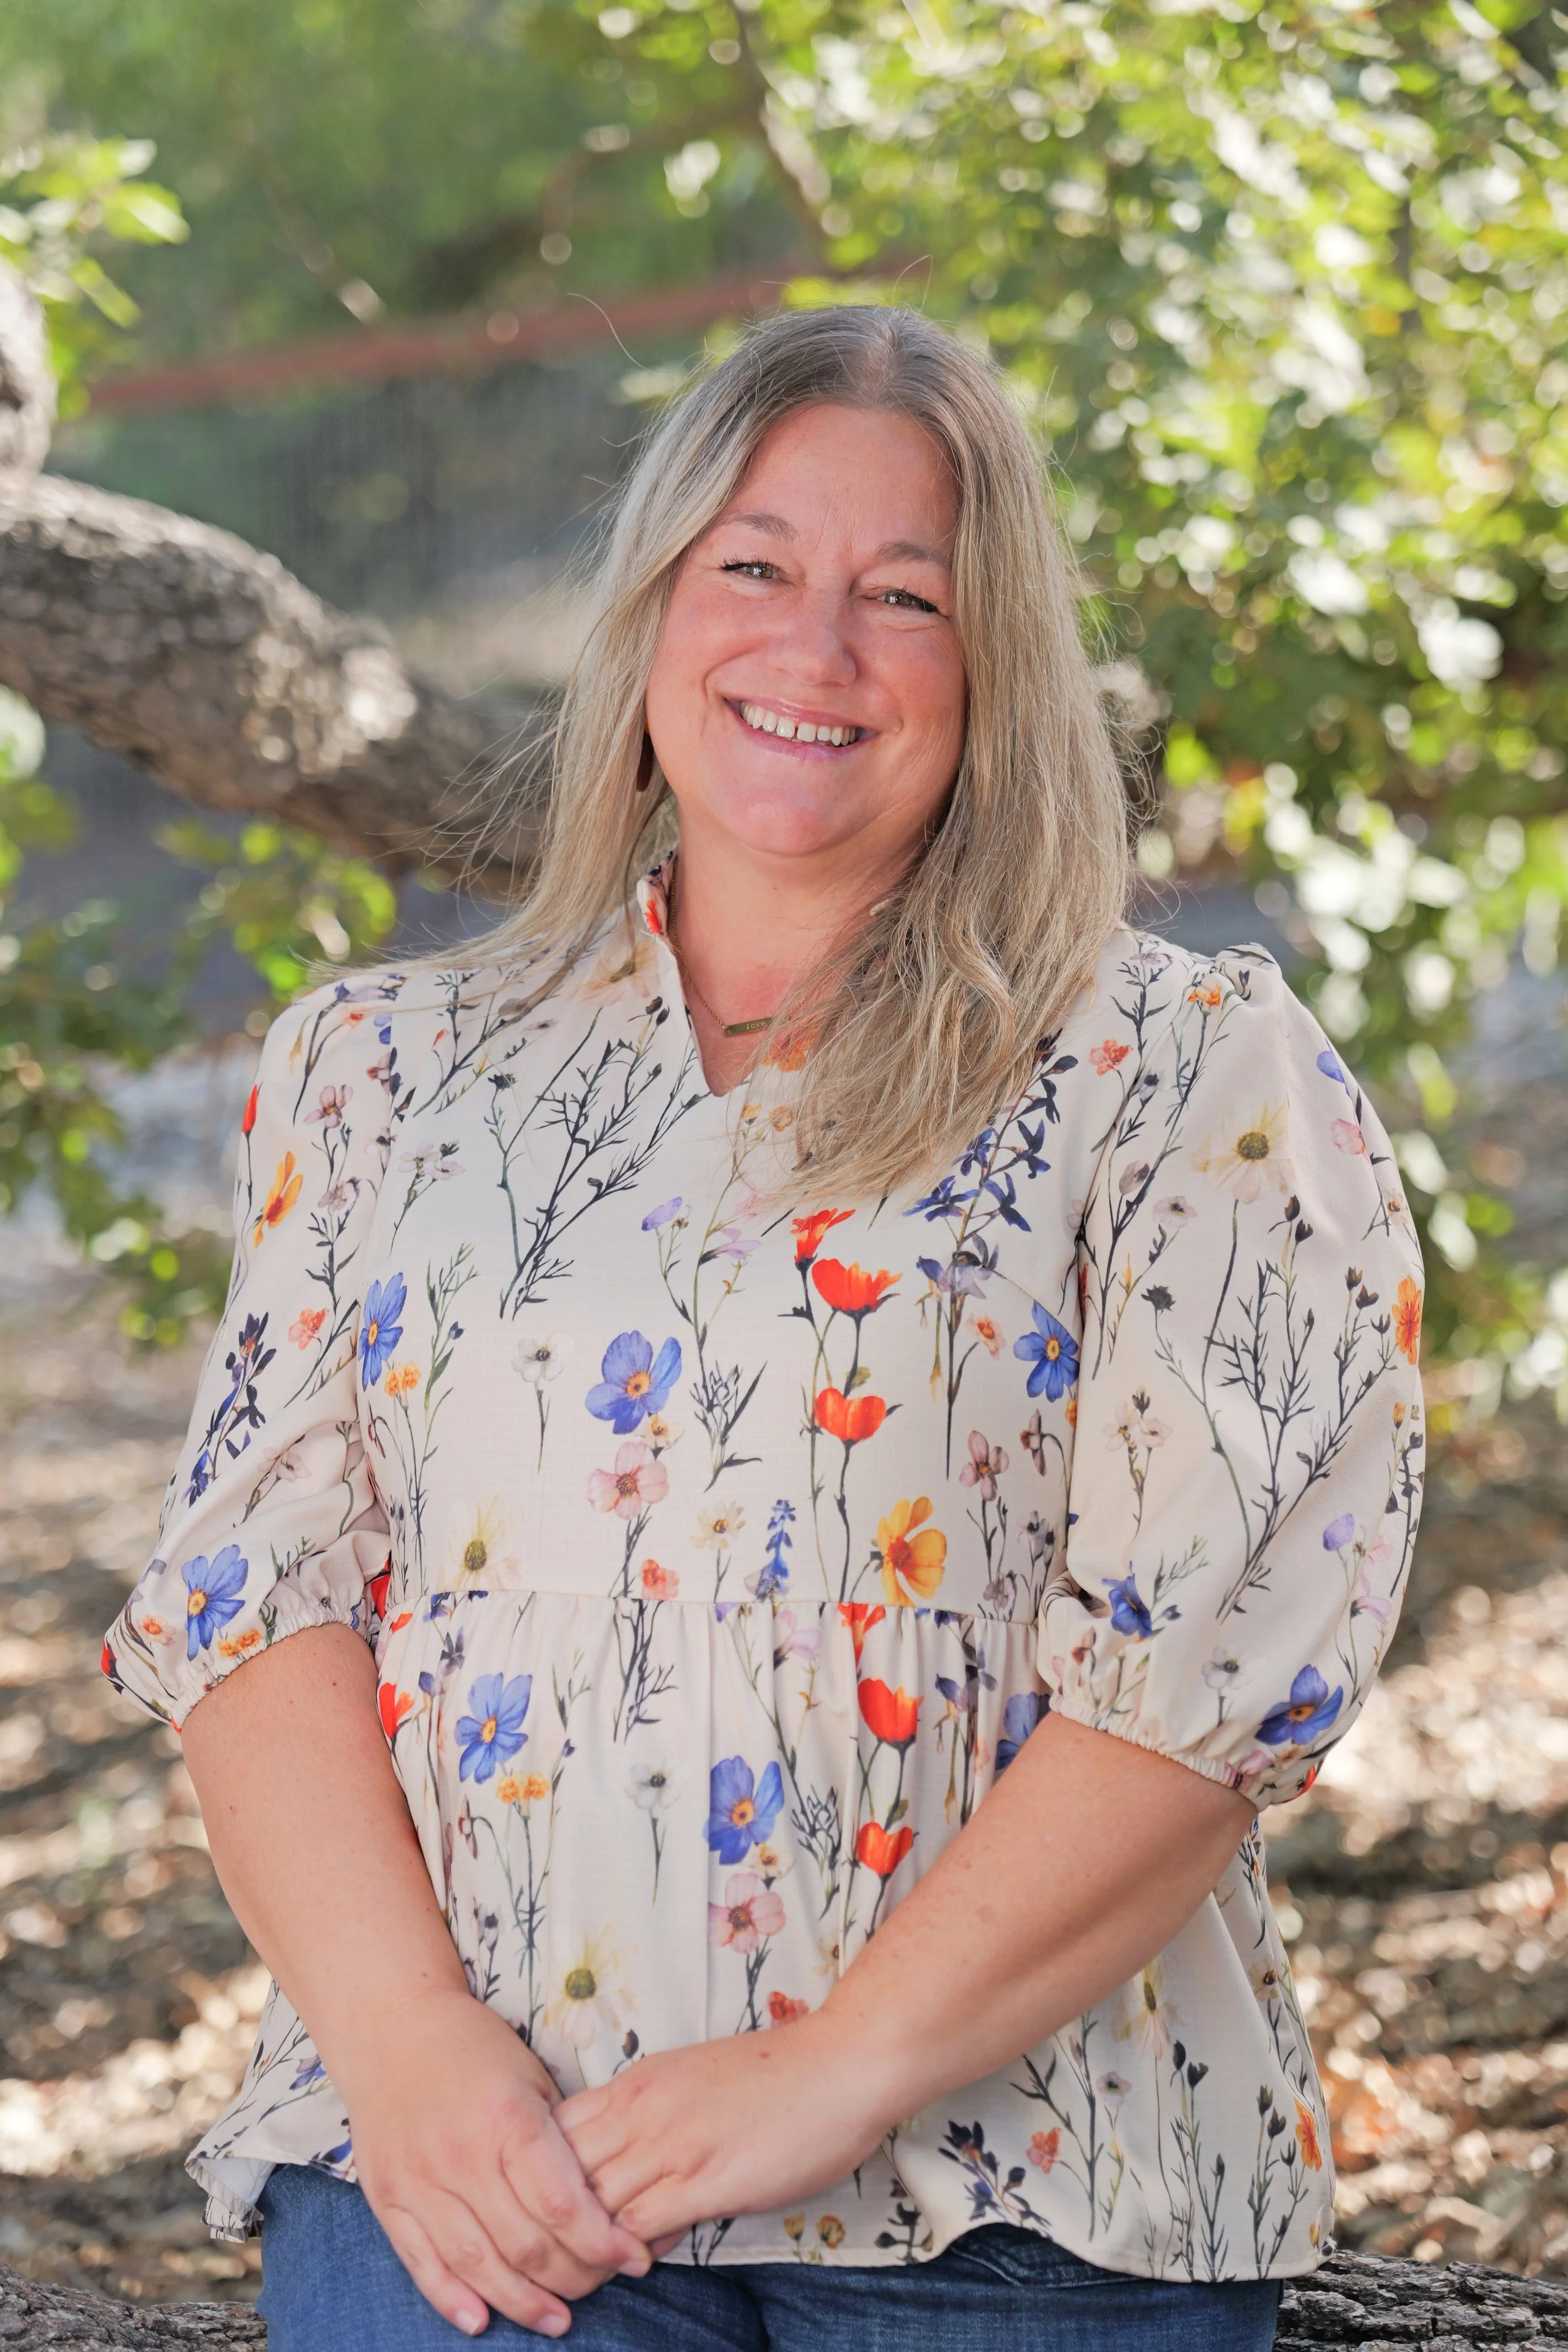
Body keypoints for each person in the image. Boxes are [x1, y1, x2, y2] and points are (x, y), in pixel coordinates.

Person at [104, 305, 1424, 2351]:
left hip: (1034, 2201)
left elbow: (1212, 1663)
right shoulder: (381, 1072)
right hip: (490, 2188)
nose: (815, 650)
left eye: (905, 596)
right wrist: (406, 2056)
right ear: (648, 617)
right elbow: (259, 1609)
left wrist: (824, 2071)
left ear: (995, 671)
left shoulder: (1187, 1069)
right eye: (755, 567)